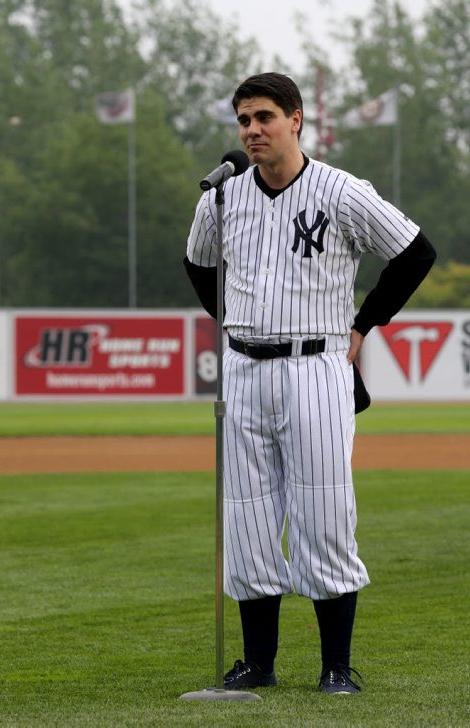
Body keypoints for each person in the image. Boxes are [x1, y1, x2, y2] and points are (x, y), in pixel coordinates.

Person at [184, 72, 436, 694]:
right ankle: (259, 664)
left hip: (316, 366)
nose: (252, 130)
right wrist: (233, 320)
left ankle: (335, 667)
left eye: (264, 117)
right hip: (243, 368)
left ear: (296, 119)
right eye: (243, 120)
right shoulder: (221, 198)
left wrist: (364, 324)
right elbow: (196, 262)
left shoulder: (342, 191)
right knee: (246, 518)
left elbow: (415, 251)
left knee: (324, 512)